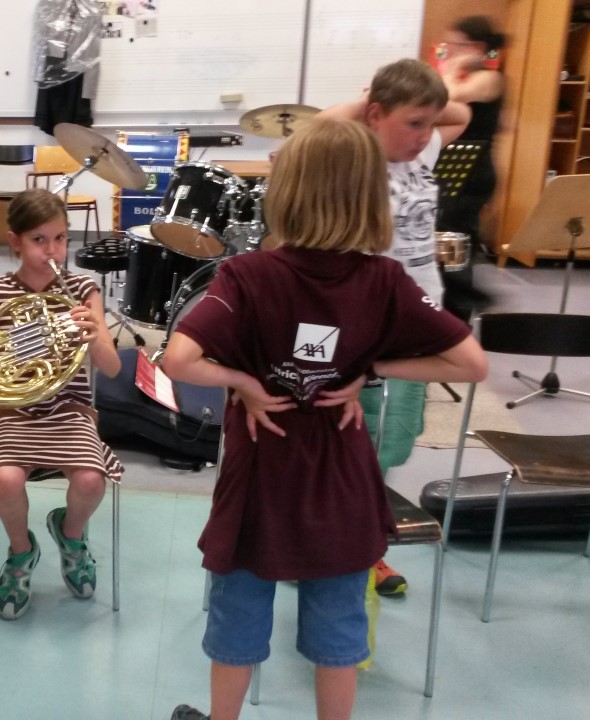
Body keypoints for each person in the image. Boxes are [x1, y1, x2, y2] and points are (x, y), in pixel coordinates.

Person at [162, 118, 488, 720]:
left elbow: (179, 360)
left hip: (261, 481)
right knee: (339, 623)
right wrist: (370, 370)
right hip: (341, 481)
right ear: (368, 196)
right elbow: (471, 363)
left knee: (239, 612)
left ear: (286, 192)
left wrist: (244, 382)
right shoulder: (384, 279)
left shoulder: (248, 275)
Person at [318, 58, 471, 596]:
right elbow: (319, 127)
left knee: (394, 438)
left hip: (418, 316)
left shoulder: (422, 149)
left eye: (428, 124)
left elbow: (461, 113)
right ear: (375, 115)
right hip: (365, 320)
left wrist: (415, 108)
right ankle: (337, 545)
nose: (424, 134)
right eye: (412, 123)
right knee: (350, 438)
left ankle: (362, 539)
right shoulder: (354, 154)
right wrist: (368, 105)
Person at [0, 188, 123, 620]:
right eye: (39, 240)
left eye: (60, 239)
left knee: (91, 481)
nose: (52, 250)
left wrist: (94, 335)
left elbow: (112, 367)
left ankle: (71, 535)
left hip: (69, 410)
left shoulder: (81, 290)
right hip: (13, 411)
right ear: (15, 242)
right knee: (6, 480)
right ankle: (21, 551)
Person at [436, 16, 507, 310]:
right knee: (447, 234)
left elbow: (444, 97)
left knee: (454, 236)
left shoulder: (491, 78)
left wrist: (449, 67)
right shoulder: (472, 77)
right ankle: (455, 294)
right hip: (454, 167)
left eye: (453, 45)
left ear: (475, 47)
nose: (447, 50)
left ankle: (460, 302)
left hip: (470, 170)